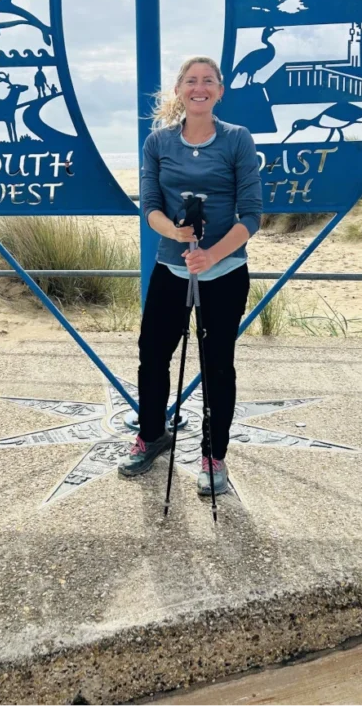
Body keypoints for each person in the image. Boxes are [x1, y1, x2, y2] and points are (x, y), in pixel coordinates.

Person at [118, 56, 263, 496]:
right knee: (153, 354)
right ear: (179, 90)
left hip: (226, 271)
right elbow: (150, 209)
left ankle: (213, 455)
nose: (199, 87)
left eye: (208, 81)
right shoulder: (158, 142)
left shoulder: (237, 139)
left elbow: (252, 216)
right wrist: (177, 233)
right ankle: (152, 434)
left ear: (219, 90)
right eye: (190, 81)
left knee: (218, 364)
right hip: (170, 266)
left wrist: (212, 254)